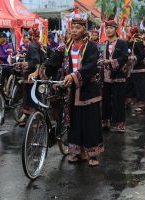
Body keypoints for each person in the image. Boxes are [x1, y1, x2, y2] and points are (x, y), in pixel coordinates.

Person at [29, 15, 103, 167]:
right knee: (73, 122)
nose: (74, 30)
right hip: (70, 90)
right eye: (73, 27)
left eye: (78, 27)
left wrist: (75, 75)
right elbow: (53, 61)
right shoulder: (65, 46)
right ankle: (78, 152)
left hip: (88, 89)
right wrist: (39, 71)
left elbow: (91, 66)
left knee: (89, 122)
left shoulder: (92, 46)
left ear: (84, 29)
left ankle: (92, 154)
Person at [101, 20, 128, 132]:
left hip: (118, 76)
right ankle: (106, 123)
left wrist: (111, 62)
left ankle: (119, 124)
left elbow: (124, 57)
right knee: (106, 101)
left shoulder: (122, 43)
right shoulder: (104, 44)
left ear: (116, 29)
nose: (108, 30)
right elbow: (101, 56)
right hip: (106, 77)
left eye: (111, 28)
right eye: (107, 28)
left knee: (118, 101)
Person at [16, 27, 46, 120]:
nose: (24, 38)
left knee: (31, 99)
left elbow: (35, 61)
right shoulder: (39, 44)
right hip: (39, 75)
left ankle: (34, 120)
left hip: (32, 76)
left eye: (26, 37)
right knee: (36, 96)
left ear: (30, 37)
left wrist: (24, 63)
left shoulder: (33, 46)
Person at [125, 26, 145, 112]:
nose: (127, 33)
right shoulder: (128, 42)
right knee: (129, 85)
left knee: (139, 86)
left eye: (129, 32)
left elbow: (142, 55)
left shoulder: (138, 41)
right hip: (130, 68)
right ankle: (129, 101)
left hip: (138, 67)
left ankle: (140, 104)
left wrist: (134, 57)